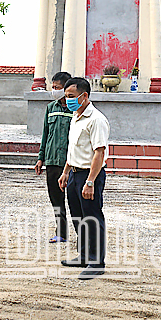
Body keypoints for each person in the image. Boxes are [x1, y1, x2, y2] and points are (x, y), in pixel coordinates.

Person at [58, 77, 110, 280]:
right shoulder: (76, 116)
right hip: (74, 174)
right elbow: (74, 148)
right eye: (66, 96)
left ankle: (97, 262)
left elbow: (99, 153)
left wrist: (90, 182)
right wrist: (65, 172)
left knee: (92, 218)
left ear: (84, 96)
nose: (67, 100)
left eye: (71, 97)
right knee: (78, 217)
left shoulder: (96, 119)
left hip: (90, 176)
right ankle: (84, 255)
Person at [34, 71, 78, 243]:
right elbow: (45, 134)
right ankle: (61, 232)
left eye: (57, 87)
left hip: (72, 161)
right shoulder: (50, 108)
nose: (54, 90)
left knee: (74, 199)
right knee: (56, 199)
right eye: (53, 87)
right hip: (52, 161)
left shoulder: (75, 109)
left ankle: (81, 233)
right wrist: (40, 158)